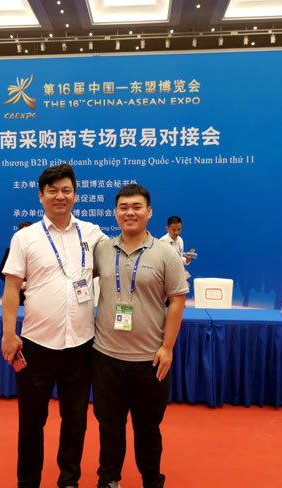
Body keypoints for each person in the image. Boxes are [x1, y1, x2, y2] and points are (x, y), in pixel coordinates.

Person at [1, 164, 106, 488]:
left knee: (75, 421)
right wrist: (8, 334)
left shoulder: (92, 234)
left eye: (66, 190)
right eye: (53, 191)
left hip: (81, 346)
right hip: (36, 345)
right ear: (41, 196)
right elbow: (12, 288)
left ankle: (69, 481)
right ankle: (28, 482)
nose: (60, 196)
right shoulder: (25, 237)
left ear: (75, 195)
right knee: (31, 422)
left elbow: (119, 262)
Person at [92, 184, 188, 488]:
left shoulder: (165, 253)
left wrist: (167, 347)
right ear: (115, 212)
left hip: (150, 359)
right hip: (106, 356)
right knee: (109, 427)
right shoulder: (101, 250)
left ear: (149, 212)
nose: (129, 213)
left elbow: (177, 300)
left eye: (136, 207)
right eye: (123, 207)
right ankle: (109, 480)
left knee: (147, 428)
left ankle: (151, 480)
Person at [0, 221, 32, 306]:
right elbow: (2, 273)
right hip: (17, 294)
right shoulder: (10, 252)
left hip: (36, 294)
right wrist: (21, 283)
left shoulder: (40, 251)